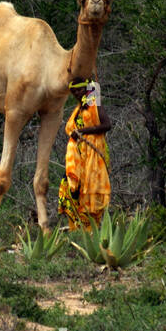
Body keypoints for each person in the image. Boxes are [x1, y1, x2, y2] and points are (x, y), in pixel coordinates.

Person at [57, 77, 112, 231]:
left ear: (87, 89)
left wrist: (82, 131)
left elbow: (107, 125)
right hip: (78, 158)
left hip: (92, 156)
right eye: (73, 91)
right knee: (70, 189)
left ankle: (90, 230)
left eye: (79, 89)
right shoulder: (79, 109)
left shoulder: (95, 103)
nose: (76, 93)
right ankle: (76, 229)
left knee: (90, 191)